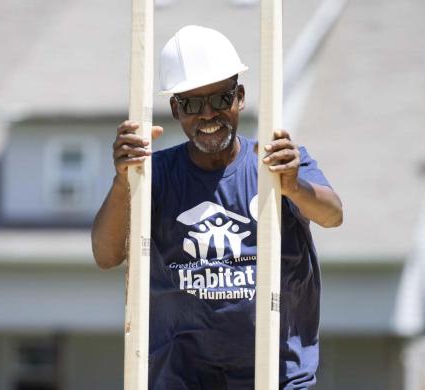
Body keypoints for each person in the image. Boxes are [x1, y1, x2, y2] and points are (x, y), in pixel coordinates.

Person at [91, 25, 343, 389]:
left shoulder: (277, 163)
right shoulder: (154, 176)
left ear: (239, 97)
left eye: (220, 99)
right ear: (176, 109)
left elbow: (333, 215)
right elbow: (105, 254)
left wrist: (293, 186)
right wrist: (123, 179)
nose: (208, 115)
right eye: (193, 104)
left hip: (278, 375)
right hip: (183, 378)